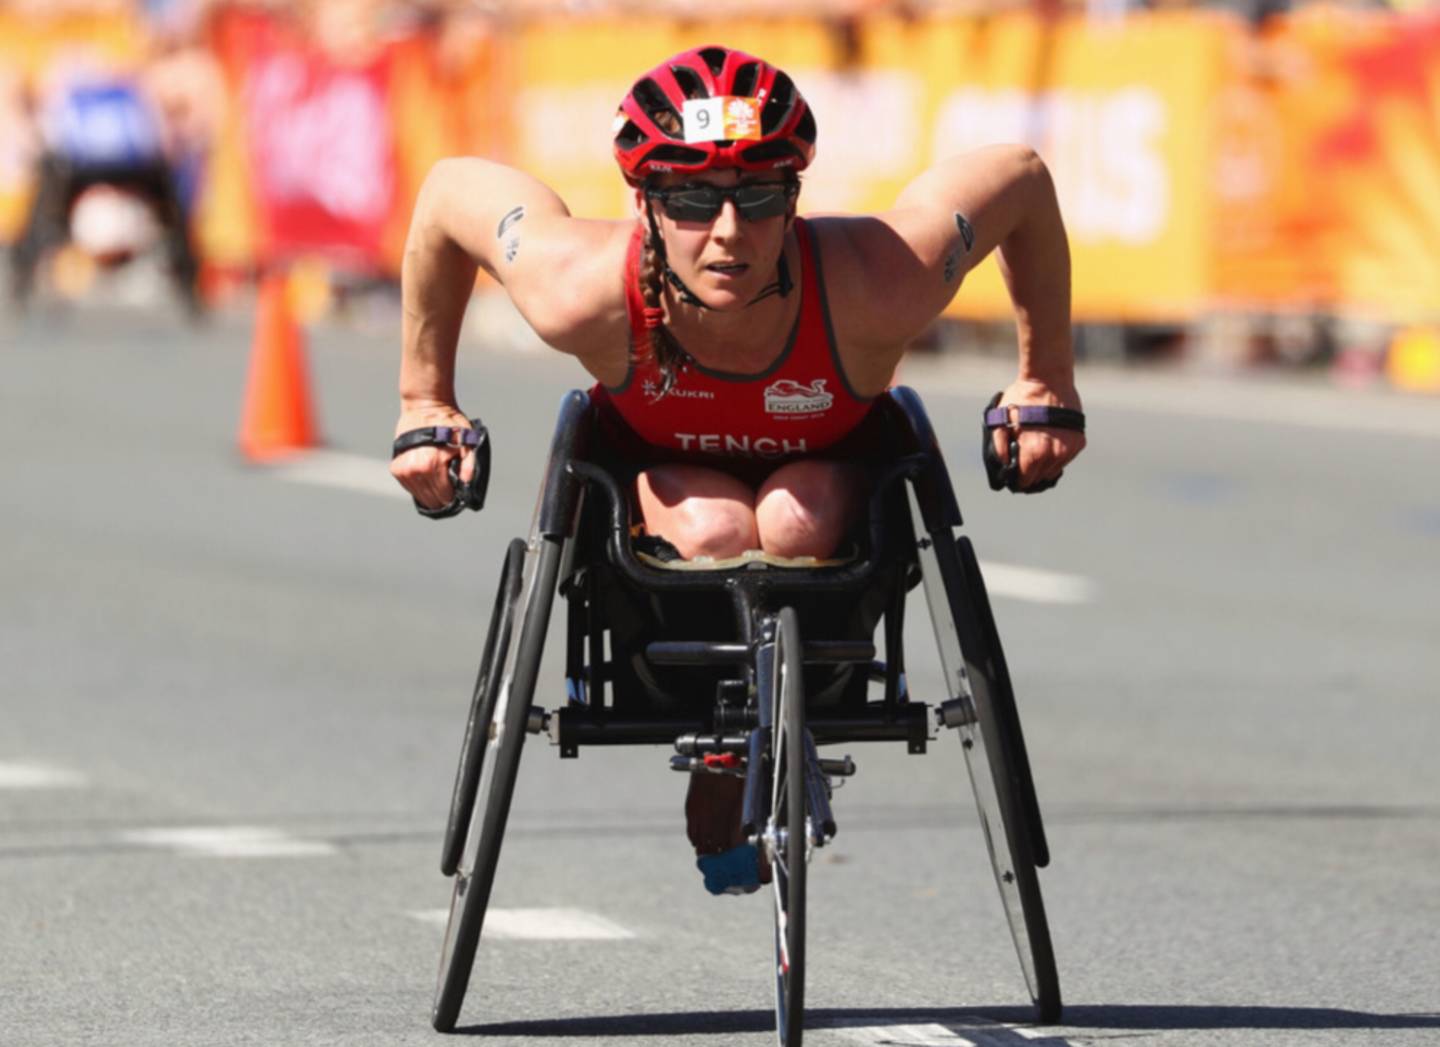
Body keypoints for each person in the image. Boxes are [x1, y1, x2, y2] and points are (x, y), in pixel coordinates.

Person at [391, 44, 1087, 894]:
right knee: (720, 526)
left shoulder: (877, 280)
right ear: (644, 203)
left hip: (831, 475)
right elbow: (446, 195)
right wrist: (426, 401)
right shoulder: (578, 287)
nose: (729, 233)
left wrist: (1044, 378)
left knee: (792, 520)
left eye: (758, 197)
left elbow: (1018, 176)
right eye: (690, 200)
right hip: (658, 485)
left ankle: (784, 707)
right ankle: (726, 739)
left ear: (795, 195)